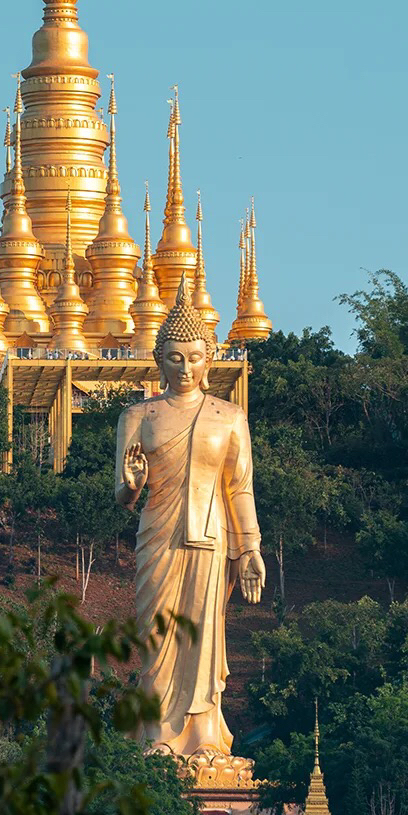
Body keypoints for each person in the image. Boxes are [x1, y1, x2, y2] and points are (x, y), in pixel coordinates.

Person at [115, 279, 265, 758]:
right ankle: (157, 734)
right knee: (158, 634)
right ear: (158, 358)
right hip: (157, 532)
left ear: (210, 357)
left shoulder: (229, 416)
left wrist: (250, 549)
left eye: (195, 356)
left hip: (210, 536)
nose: (185, 367)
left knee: (201, 634)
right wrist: (133, 481)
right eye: (175, 357)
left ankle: (202, 736)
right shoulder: (138, 415)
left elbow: (239, 487)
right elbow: (121, 495)